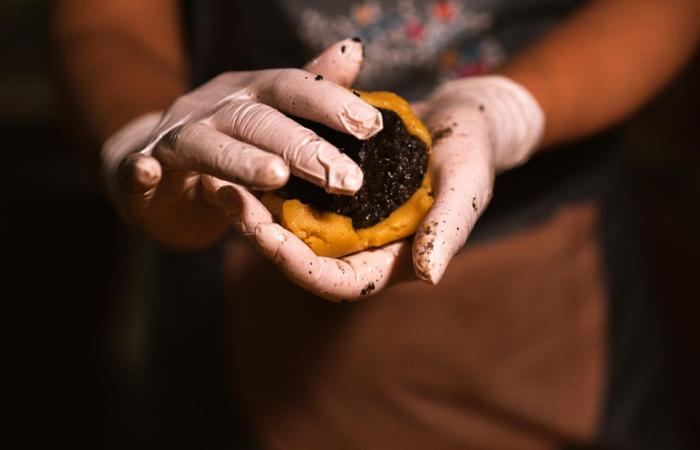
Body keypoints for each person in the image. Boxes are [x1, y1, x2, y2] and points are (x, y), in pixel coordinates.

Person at [53, 0, 700, 448]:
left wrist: (510, 108)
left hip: (549, 285)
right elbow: (110, 16)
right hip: (241, 241)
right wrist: (137, 138)